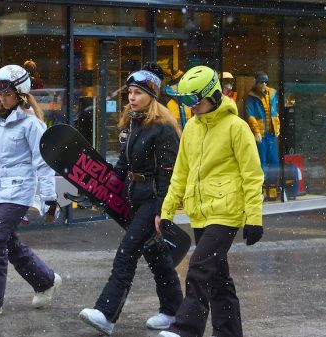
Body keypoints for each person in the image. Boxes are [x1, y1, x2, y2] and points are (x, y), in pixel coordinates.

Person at [156, 65, 264, 337]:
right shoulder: (192, 127)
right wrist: (167, 211)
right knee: (219, 280)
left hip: (226, 213)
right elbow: (181, 172)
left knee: (199, 269)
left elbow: (252, 176)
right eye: (185, 101)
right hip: (200, 212)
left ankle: (185, 329)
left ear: (213, 95)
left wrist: (254, 219)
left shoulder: (237, 128)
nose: (191, 107)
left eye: (195, 100)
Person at [78, 62, 183, 336]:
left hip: (152, 201)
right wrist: (100, 189)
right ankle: (174, 311)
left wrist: (162, 211)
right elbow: (122, 167)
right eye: (130, 92)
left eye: (137, 92)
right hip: (134, 199)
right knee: (156, 255)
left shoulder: (164, 128)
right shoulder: (132, 123)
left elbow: (168, 174)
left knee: (127, 252)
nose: (131, 97)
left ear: (151, 94)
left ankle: (106, 313)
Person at [0, 64, 60, 317]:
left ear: (20, 93)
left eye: (7, 93)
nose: (2, 97)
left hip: (20, 191)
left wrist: (49, 199)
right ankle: (46, 280)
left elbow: (44, 164)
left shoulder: (32, 125)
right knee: (10, 243)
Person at [246, 70, 280, 174]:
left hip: (271, 134)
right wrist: (256, 132)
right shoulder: (251, 97)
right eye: (261, 82)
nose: (264, 84)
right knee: (262, 161)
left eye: (265, 82)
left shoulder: (273, 94)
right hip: (261, 134)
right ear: (256, 82)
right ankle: (264, 188)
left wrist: (277, 127)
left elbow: (275, 113)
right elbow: (250, 116)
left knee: (274, 161)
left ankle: (274, 187)